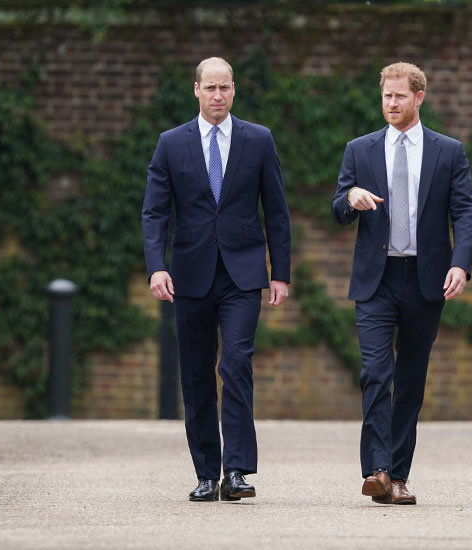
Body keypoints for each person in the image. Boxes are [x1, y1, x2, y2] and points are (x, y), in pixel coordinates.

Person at [142, 57, 291, 502]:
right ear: (196, 90)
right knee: (196, 375)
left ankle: (238, 471)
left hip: (243, 274)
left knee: (236, 364)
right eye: (210, 88)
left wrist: (279, 274)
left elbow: (277, 212)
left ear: (234, 89)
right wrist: (156, 266)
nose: (218, 95)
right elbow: (154, 212)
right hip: (189, 274)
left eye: (225, 87)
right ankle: (207, 473)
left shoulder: (259, 140)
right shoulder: (171, 144)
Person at [331, 62, 472, 505]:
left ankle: (397, 476)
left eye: (399, 96)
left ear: (419, 97)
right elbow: (337, 208)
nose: (391, 104)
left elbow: (465, 212)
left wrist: (461, 264)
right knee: (376, 373)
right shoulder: (360, 149)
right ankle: (376, 470)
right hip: (375, 280)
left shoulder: (448, 151)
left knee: (411, 381)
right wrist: (350, 199)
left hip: (425, 278)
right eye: (386, 96)